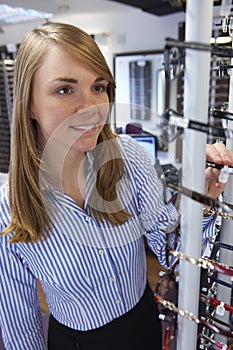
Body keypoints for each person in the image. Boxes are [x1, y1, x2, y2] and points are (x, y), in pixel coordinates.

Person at [0, 22, 233, 350]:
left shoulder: (129, 157)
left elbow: (170, 252)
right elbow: (18, 319)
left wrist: (200, 199)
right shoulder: (9, 206)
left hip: (144, 326)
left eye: (98, 87)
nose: (91, 106)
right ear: (29, 104)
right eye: (65, 90)